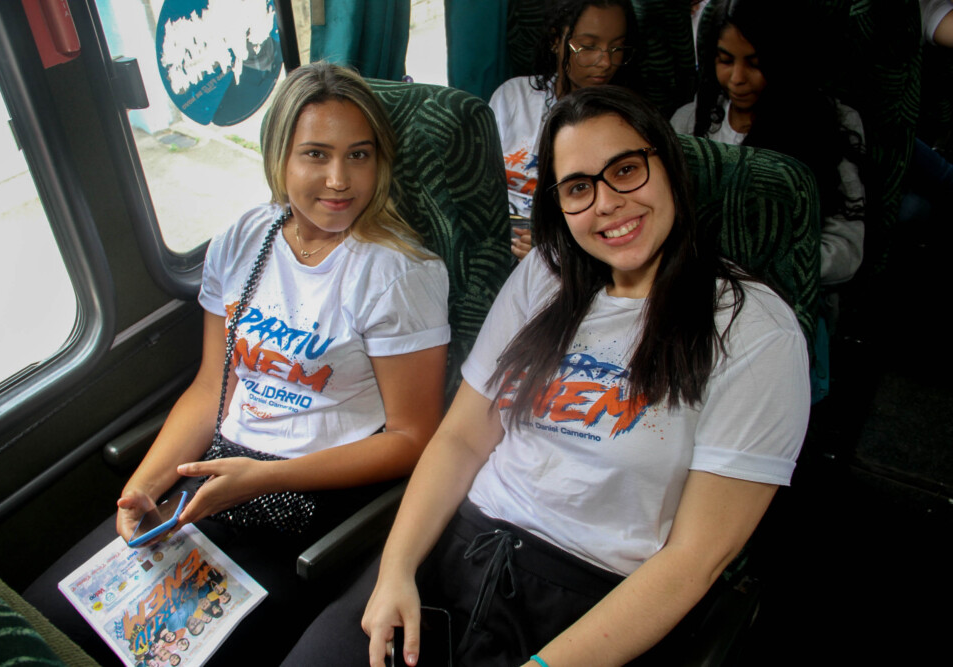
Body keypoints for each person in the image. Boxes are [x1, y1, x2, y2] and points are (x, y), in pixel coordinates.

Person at [285, 86, 810, 667]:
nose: (607, 204)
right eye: (579, 187)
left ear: (669, 166)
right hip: (459, 546)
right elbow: (461, 439)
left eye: (626, 171)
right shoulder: (546, 274)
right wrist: (396, 571)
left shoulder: (754, 330)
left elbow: (694, 560)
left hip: (594, 600)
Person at [24, 61, 450, 664]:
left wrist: (263, 478)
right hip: (219, 476)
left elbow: (413, 438)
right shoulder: (244, 239)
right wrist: (146, 484)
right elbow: (211, 388)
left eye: (359, 155)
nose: (339, 180)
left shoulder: (398, 274)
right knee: (45, 620)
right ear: (278, 158)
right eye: (316, 155)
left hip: (311, 500)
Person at [671, 0, 865, 286]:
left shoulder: (829, 125)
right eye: (725, 61)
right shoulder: (689, 123)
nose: (737, 79)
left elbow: (845, 249)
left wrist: (765, 263)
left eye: (756, 64)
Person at [491, 0, 641, 259]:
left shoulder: (624, 122)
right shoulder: (513, 97)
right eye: (588, 47)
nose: (605, 62)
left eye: (617, 48)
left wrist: (554, 247)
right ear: (555, 40)